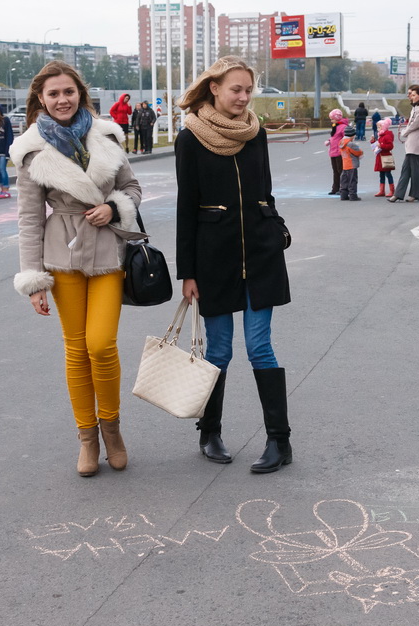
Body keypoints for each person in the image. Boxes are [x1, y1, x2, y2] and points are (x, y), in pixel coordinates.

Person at [11, 60, 143, 477]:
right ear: (41, 99)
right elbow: (29, 218)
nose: (62, 99)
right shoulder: (31, 150)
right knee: (76, 348)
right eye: (53, 94)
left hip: (107, 251)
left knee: (100, 344)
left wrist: (114, 207)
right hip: (61, 253)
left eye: (68, 91)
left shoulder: (106, 135)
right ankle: (87, 437)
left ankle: (112, 429)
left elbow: (131, 187)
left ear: (80, 94)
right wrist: (33, 279)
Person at [175, 55, 293, 474]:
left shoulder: (255, 132)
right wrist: (187, 272)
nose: (243, 97)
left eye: (248, 90)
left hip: (261, 255)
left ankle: (279, 441)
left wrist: (276, 229)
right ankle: (210, 433)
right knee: (220, 350)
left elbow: (266, 192)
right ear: (214, 89)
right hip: (214, 260)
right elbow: (186, 209)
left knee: (260, 347)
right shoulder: (190, 138)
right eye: (235, 89)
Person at [389, 84, 419, 203]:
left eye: (414, 95)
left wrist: (404, 132)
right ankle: (398, 194)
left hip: (416, 140)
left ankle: (415, 193)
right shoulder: (416, 107)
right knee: (406, 169)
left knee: (414, 169)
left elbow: (415, 124)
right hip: (412, 140)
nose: (411, 96)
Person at [371, 116, 395, 197]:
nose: (378, 128)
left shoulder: (387, 135)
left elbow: (390, 146)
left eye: (379, 127)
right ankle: (382, 191)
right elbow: (377, 146)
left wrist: (381, 145)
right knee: (381, 174)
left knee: (388, 174)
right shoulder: (381, 135)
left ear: (383, 127)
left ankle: (392, 190)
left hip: (385, 157)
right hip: (380, 157)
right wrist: (373, 142)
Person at [338, 124, 363, 201]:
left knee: (344, 181)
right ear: (352, 135)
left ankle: (343, 195)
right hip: (352, 164)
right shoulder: (351, 144)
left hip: (345, 164)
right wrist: (360, 151)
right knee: (352, 181)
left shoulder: (341, 142)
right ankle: (353, 195)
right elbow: (358, 152)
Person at [326, 108, 347, 195]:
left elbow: (346, 138)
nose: (331, 121)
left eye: (332, 119)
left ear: (337, 118)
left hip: (339, 152)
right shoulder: (335, 126)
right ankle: (335, 188)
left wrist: (341, 145)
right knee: (335, 171)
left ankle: (342, 188)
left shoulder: (343, 127)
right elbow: (334, 137)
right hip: (333, 151)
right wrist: (329, 141)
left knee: (340, 171)